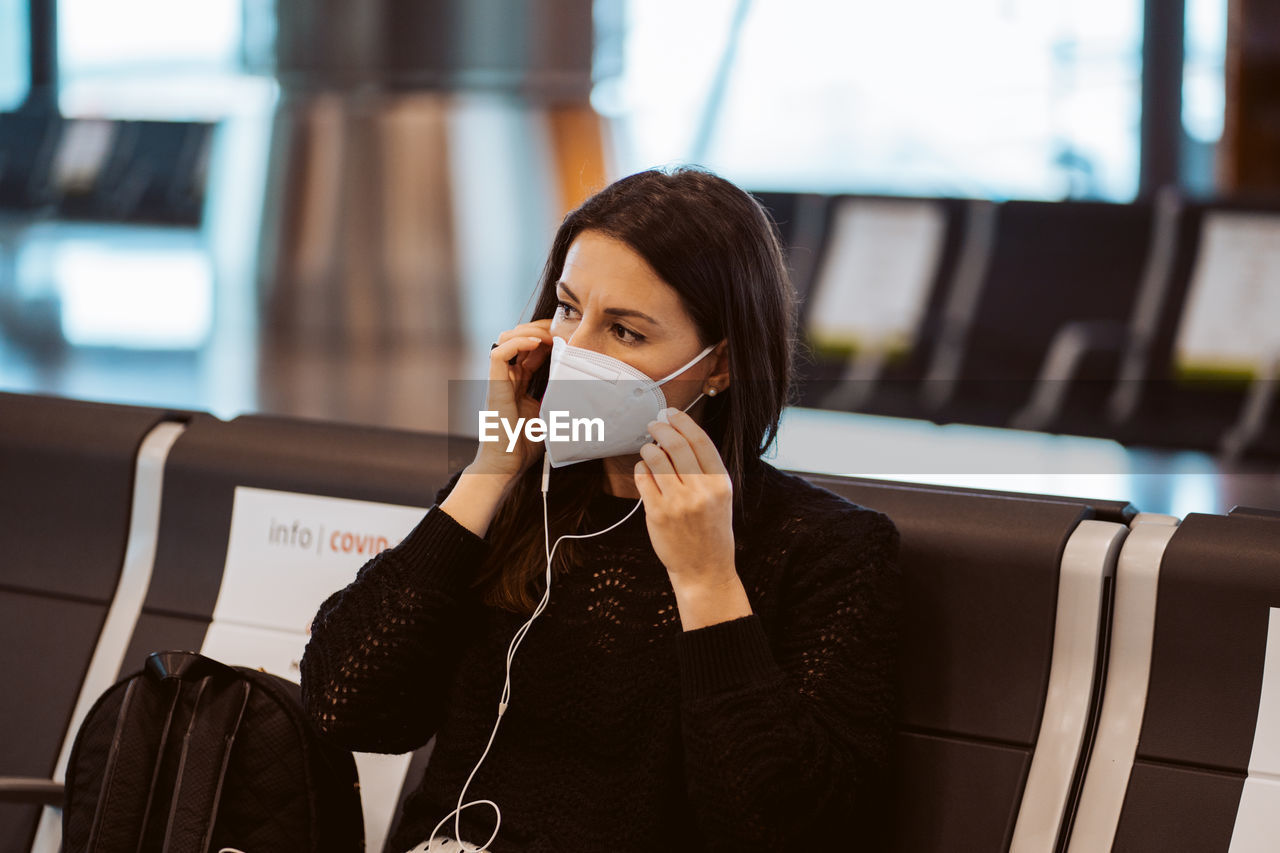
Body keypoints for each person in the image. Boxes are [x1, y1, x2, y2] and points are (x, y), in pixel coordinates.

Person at [299, 166, 902, 853]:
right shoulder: (519, 501)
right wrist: (491, 467)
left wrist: (709, 582)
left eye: (625, 332)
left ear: (720, 365)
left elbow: (782, 828)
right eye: (566, 308)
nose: (574, 350)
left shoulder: (826, 549)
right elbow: (344, 704)